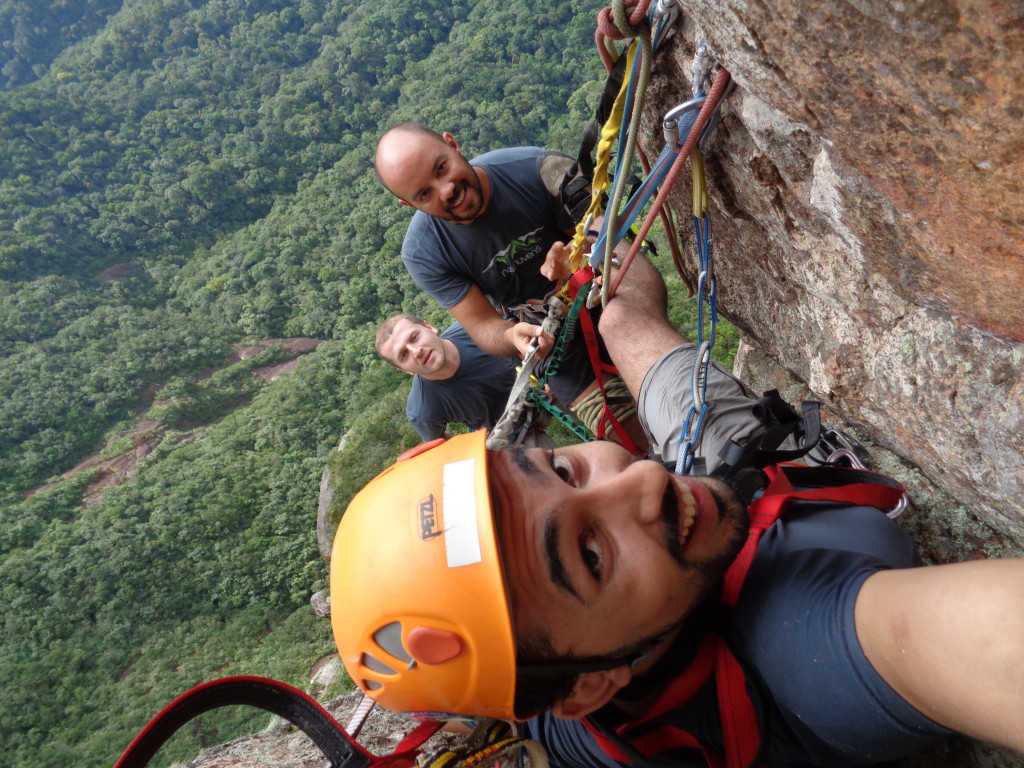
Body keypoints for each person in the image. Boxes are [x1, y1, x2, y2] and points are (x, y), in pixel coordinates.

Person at [331, 255, 1024, 766]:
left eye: (563, 469)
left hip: (697, 516)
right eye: (590, 553)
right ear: (591, 686)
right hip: (726, 470)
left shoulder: (558, 679)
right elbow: (991, 644)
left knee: (619, 317)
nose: (641, 477)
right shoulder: (807, 649)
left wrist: (597, 255)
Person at [374, 122, 644, 450]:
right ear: (410, 205)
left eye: (441, 168)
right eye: (424, 194)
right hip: (549, 340)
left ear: (453, 144)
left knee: (653, 373)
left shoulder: (535, 169)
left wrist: (579, 254)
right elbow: (482, 325)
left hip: (606, 291)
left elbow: (608, 236)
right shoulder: (426, 252)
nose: (445, 190)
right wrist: (511, 335)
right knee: (623, 431)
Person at [375, 313, 532, 443]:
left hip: (537, 377)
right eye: (404, 355)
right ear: (404, 370)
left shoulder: (475, 329)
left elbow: (519, 336)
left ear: (429, 327)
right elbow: (440, 444)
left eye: (414, 337)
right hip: (516, 432)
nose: (416, 352)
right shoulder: (422, 408)